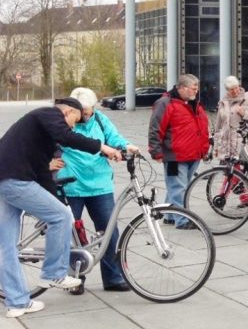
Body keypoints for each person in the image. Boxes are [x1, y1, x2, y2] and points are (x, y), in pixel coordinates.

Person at [0, 98, 122, 318]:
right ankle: (54, 273)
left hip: (7, 179)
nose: (74, 125)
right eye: (75, 119)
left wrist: (55, 197)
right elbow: (68, 137)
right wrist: (102, 147)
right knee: (62, 216)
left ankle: (17, 303)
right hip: (15, 180)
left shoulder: (42, 136)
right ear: (67, 111)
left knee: (6, 246)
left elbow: (42, 172)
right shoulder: (48, 113)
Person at [57, 87, 140, 293]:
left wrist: (126, 145)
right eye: (81, 112)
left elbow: (114, 137)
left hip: (100, 185)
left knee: (110, 232)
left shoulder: (101, 120)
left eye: (88, 111)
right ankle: (75, 279)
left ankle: (113, 277)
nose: (85, 116)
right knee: (71, 234)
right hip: (71, 185)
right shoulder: (64, 122)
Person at [148, 74, 210, 228]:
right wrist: (155, 151)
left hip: (193, 154)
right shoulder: (165, 103)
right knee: (178, 188)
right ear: (182, 87)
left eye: (197, 88)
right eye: (193, 88)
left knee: (178, 187)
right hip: (175, 155)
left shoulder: (193, 103)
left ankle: (170, 215)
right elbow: (155, 128)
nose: (196, 91)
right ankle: (182, 221)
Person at [212, 75, 248, 160]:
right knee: (226, 172)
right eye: (231, 89)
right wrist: (215, 147)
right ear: (227, 90)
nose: (235, 91)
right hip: (225, 147)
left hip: (240, 144)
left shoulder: (247, 100)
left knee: (236, 172)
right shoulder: (223, 102)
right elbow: (218, 127)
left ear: (239, 86)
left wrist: (245, 114)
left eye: (236, 87)